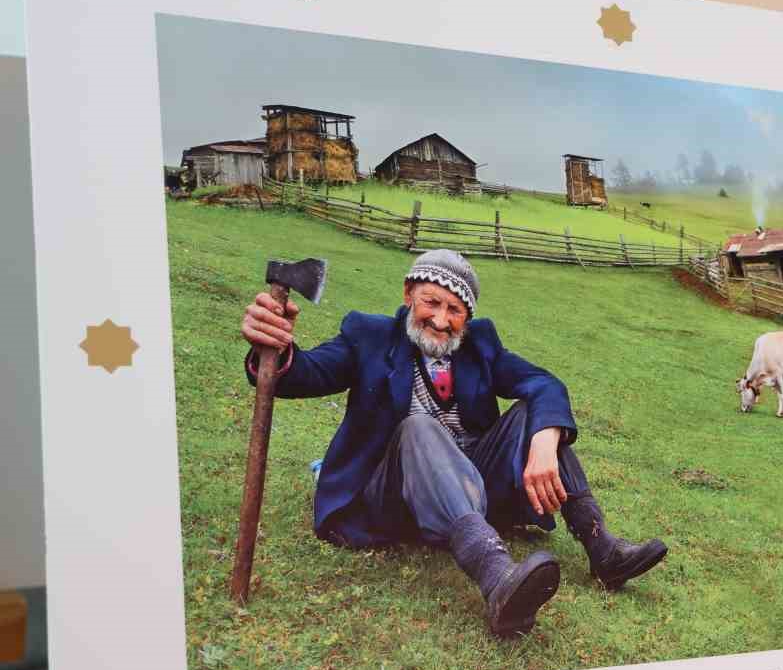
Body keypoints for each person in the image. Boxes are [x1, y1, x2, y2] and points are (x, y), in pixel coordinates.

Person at [240, 249, 667, 638]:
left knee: (535, 418)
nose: (441, 321)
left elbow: (544, 384)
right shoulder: (367, 335)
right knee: (419, 426)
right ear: (409, 293)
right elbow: (306, 374)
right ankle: (499, 579)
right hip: (395, 496)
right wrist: (275, 348)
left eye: (455, 309)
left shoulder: (480, 346)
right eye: (431, 302)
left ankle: (602, 549)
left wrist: (542, 443)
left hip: (469, 489)